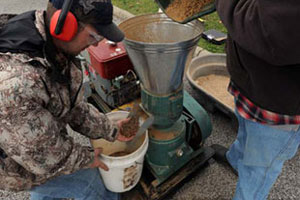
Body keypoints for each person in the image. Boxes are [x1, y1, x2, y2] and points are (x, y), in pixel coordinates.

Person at [0, 0, 138, 199]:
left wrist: (111, 129)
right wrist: (88, 159)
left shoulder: (48, 40)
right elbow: (45, 158)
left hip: (32, 144)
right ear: (64, 26)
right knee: (94, 186)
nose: (98, 43)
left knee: (47, 190)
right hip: (21, 162)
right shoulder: (17, 85)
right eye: (94, 35)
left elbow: (71, 107)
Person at [210, 0, 300, 200]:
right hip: (252, 79)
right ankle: (236, 160)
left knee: (259, 169)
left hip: (278, 101)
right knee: (245, 129)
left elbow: (268, 27)